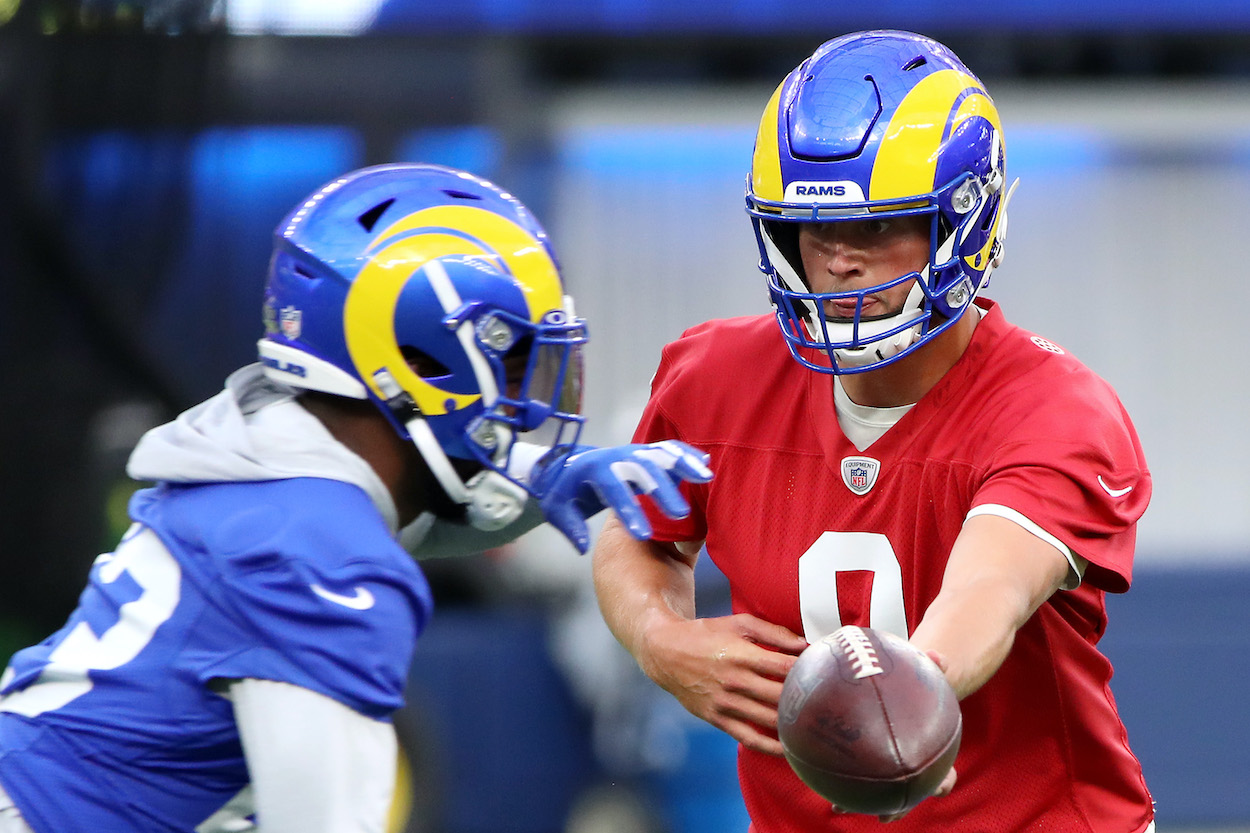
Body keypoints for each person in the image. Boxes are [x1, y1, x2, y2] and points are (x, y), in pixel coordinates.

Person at [0, 162, 712, 833]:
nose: (531, 396)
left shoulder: (265, 454)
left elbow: (406, 505)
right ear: (417, 361)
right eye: (517, 360)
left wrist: (549, 476)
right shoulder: (318, 561)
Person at [591, 29, 1154, 833]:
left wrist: (909, 691)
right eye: (816, 233)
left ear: (964, 220)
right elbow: (635, 526)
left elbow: (989, 589)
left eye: (878, 228)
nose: (841, 262)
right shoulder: (715, 374)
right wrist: (659, 637)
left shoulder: (1054, 408)